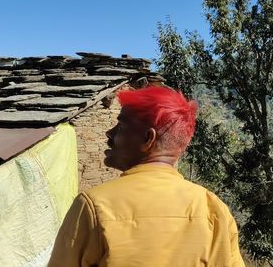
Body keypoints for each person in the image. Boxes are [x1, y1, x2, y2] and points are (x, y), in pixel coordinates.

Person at [48, 85, 245, 267]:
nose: (109, 133)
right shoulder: (214, 210)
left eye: (120, 126)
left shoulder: (93, 206)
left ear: (147, 139)